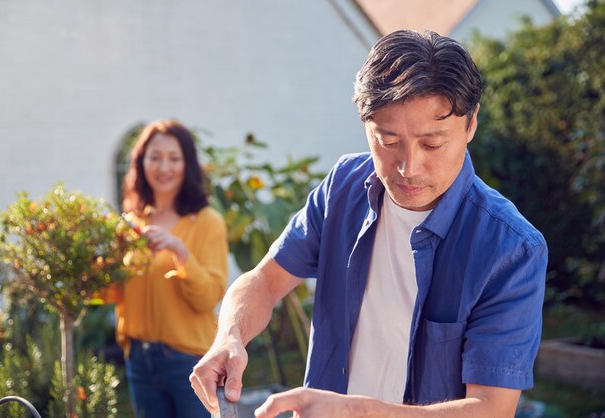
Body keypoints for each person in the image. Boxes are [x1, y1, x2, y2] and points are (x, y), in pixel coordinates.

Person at [190, 30, 547, 417]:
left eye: (432, 144)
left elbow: (491, 409)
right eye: (388, 140)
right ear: (365, 125)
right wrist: (230, 335)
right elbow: (265, 280)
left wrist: (353, 411)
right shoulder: (342, 186)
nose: (408, 168)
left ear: (471, 124)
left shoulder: (511, 247)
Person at [105, 119, 228, 418]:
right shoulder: (131, 223)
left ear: (187, 164)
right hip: (139, 360)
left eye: (174, 158)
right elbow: (108, 293)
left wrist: (179, 251)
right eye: (155, 157)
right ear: (141, 163)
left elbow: (208, 297)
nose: (164, 167)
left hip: (190, 361)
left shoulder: (207, 221)